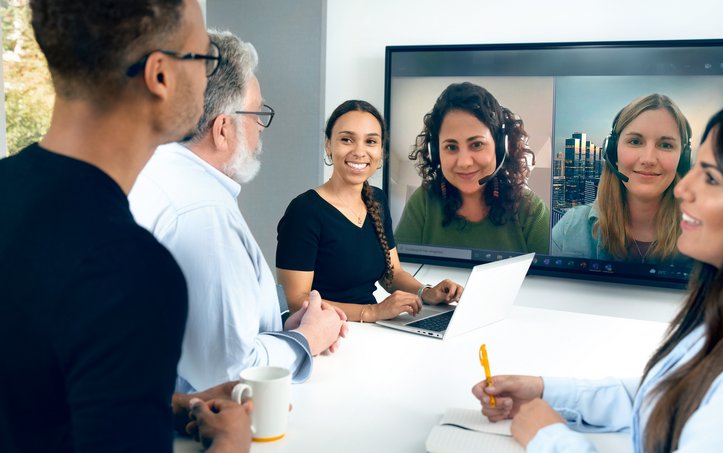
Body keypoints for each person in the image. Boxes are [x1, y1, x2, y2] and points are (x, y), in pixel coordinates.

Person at [472, 99, 723, 452]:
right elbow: (668, 395)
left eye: (710, 177)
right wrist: (544, 391)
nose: (682, 189)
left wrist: (549, 439)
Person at [0, 1, 249, 452]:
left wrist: (155, 401)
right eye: (204, 57)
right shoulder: (131, 272)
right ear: (160, 76)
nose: (208, 75)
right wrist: (232, 444)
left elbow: (28, 394)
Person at [128, 30, 346, 394]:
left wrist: (280, 331)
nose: (261, 127)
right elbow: (230, 373)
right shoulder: (202, 214)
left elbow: (200, 335)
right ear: (223, 129)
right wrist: (307, 338)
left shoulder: (151, 174)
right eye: (257, 112)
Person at [276, 100, 463, 323]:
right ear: (328, 145)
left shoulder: (378, 200)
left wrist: (426, 292)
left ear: (380, 151)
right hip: (324, 333)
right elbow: (297, 301)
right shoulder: (304, 212)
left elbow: (391, 274)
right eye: (346, 140)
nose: (359, 151)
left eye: (370, 141)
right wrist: (371, 312)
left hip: (372, 330)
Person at [395, 82, 550, 254]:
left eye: (477, 144)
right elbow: (396, 273)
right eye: (451, 147)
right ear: (435, 152)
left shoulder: (532, 210)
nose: (464, 162)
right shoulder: (423, 202)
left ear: (501, 147)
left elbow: (551, 280)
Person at [551, 93, 693, 265]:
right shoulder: (571, 228)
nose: (648, 159)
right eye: (635, 141)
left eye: (665, 145)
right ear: (613, 152)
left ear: (683, 159)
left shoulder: (708, 237)